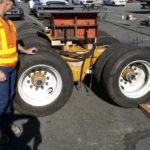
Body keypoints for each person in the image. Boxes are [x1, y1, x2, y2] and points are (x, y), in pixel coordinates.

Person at [0, 0, 37, 144]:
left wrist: (25, 50)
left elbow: (13, 43)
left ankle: (6, 125)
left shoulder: (8, 22)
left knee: (9, 97)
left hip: (12, 67)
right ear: (6, 2)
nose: (13, 7)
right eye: (12, 4)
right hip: (2, 68)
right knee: (2, 102)